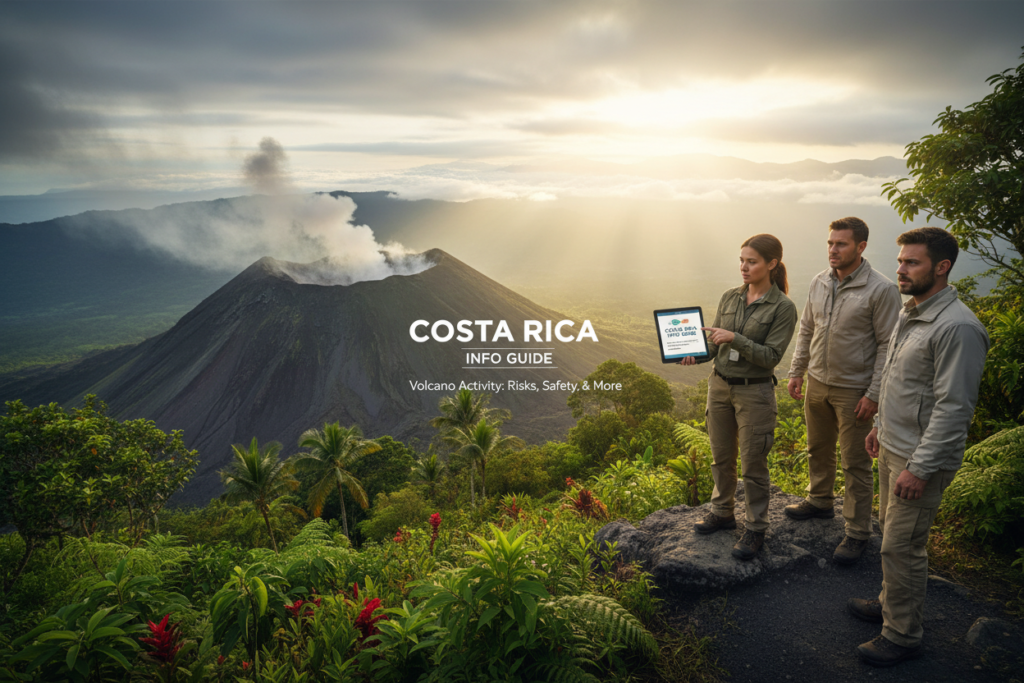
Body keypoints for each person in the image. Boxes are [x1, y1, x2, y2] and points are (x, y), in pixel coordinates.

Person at [848, 227, 989, 667]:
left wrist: (920, 467)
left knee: (901, 546)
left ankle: (902, 635)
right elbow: (900, 382)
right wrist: (880, 429)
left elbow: (953, 409)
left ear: (942, 267)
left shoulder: (958, 328)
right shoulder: (914, 312)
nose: (900, 269)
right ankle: (891, 604)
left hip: (919, 460)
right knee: (892, 535)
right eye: (901, 260)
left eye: (912, 262)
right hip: (894, 445)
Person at [785, 217, 901, 565]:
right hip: (817, 382)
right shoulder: (820, 281)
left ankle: (856, 532)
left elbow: (888, 346)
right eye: (830, 243)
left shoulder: (880, 290)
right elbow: (807, 329)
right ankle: (820, 500)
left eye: (842, 244)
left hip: (855, 389)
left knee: (855, 462)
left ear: (861, 247)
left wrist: (874, 393)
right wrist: (796, 371)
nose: (833, 250)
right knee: (817, 447)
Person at [679, 234, 798, 560]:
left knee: (753, 463)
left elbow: (771, 356)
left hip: (754, 390)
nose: (744, 267)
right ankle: (722, 511)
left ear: (772, 264)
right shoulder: (730, 297)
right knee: (720, 456)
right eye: (742, 260)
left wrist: (736, 338)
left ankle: (756, 528)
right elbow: (715, 343)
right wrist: (694, 354)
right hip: (719, 386)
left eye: (752, 261)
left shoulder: (783, 307)